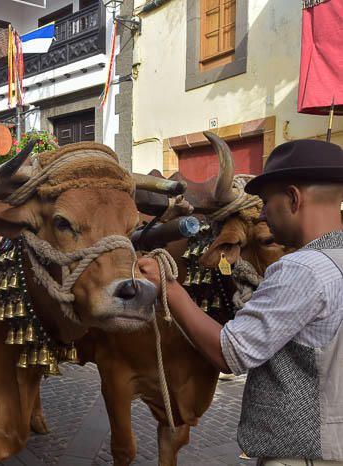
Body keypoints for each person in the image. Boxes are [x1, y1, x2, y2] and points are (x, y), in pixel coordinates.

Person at [138, 139, 343, 465]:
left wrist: (171, 288)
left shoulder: (301, 269)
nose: (262, 213)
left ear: (292, 198)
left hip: (302, 456)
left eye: (265, 202)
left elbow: (229, 353)